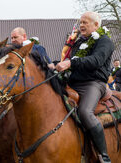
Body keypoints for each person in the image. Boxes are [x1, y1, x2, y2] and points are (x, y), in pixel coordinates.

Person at [55, 12, 114, 163]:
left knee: (85, 112)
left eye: (85, 22)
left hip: (93, 84)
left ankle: (104, 155)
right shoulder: (79, 42)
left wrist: (70, 63)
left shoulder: (104, 41)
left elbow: (95, 61)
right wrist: (52, 65)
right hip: (73, 83)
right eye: (80, 22)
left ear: (96, 25)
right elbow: (69, 60)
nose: (81, 25)